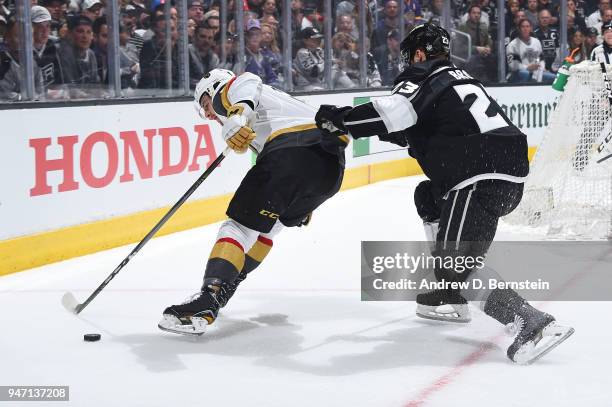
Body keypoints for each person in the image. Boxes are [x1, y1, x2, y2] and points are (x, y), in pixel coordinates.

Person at [314, 23, 574, 364]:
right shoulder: (459, 77)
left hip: (477, 176)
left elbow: (392, 113)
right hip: (506, 174)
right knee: (428, 196)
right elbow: (417, 128)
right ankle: (450, 291)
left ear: (420, 54)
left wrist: (341, 120)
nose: (407, 64)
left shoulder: (423, 73)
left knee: (457, 265)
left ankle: (529, 321)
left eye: (409, 57)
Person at [158, 68, 347, 335]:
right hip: (330, 171)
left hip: (291, 154)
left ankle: (209, 296)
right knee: (266, 228)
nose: (209, 113)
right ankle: (227, 284)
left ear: (215, 88)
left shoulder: (233, 91)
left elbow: (247, 82)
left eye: (205, 103)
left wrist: (238, 113)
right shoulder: (277, 109)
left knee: (237, 227)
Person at [506, 18, 555, 83]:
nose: (525, 29)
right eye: (523, 27)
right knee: (525, 74)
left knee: (552, 77)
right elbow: (513, 66)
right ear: (519, 29)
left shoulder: (536, 41)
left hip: (535, 72)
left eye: (527, 26)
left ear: (531, 28)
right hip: (517, 74)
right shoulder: (513, 45)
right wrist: (527, 68)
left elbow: (541, 59)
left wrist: (540, 67)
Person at [189, 23, 219, 88]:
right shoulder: (186, 53)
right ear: (195, 36)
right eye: (203, 36)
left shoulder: (214, 58)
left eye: (210, 38)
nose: (206, 41)